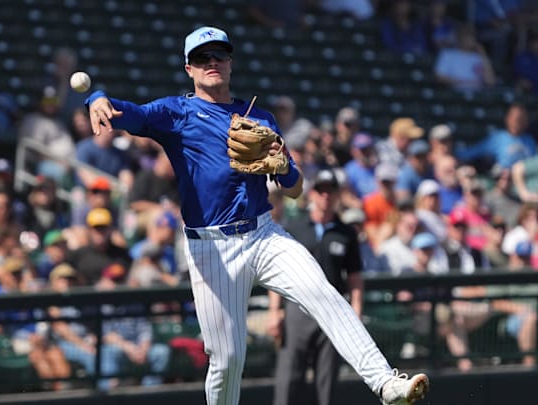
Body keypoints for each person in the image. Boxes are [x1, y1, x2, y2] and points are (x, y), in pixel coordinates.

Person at [86, 26, 428, 405]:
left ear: (230, 63)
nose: (211, 62)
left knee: (323, 293)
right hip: (211, 248)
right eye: (202, 57)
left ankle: (386, 383)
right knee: (228, 359)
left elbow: (295, 188)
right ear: (189, 68)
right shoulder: (176, 112)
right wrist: (98, 97)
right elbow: (127, 113)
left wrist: (282, 166)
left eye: (219, 54)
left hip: (264, 235)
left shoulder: (261, 118)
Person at [267, 169, 363, 405]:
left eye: (330, 191)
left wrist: (357, 311)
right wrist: (274, 311)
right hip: (298, 307)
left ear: (338, 195)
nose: (325, 196)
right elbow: (278, 270)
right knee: (289, 375)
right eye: (321, 191)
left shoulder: (346, 233)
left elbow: (354, 277)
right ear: (312, 194)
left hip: (333, 310)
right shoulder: (295, 227)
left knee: (327, 377)